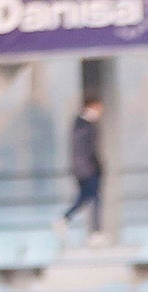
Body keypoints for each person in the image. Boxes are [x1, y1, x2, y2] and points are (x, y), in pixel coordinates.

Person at [60, 96, 104, 241]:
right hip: (87, 169)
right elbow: (86, 150)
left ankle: (67, 219)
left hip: (86, 168)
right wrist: (95, 166)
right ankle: (94, 231)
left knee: (88, 197)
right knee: (90, 197)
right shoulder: (83, 126)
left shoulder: (82, 125)